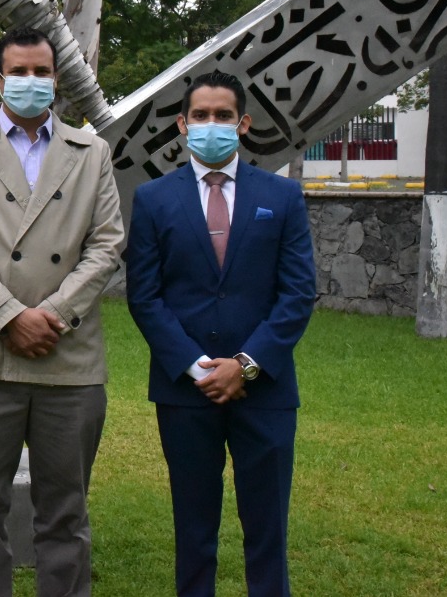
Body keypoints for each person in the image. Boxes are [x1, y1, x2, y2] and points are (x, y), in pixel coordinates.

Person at [0, 26, 125, 597]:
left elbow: (107, 245)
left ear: (57, 79)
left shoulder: (92, 152)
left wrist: (54, 315)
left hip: (69, 359)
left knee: (65, 511)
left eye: (42, 72)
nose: (31, 81)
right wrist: (10, 314)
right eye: (19, 71)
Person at [126, 71, 316, 597]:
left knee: (267, 531)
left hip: (265, 390)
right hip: (185, 392)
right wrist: (196, 366)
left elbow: (298, 293)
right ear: (183, 125)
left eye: (224, 116)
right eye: (201, 116)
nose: (212, 125)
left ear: (244, 124)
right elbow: (144, 296)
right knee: (193, 529)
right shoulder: (153, 200)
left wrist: (247, 364)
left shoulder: (282, 196)